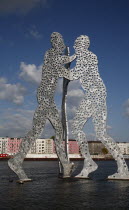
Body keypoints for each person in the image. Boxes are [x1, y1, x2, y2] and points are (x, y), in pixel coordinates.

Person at [8, 32, 76, 181]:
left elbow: (65, 70)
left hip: (48, 100)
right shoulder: (51, 54)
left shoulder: (55, 61)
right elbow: (66, 68)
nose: (61, 42)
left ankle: (65, 165)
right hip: (45, 97)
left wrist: (71, 63)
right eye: (59, 40)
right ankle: (17, 161)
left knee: (56, 130)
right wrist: (75, 57)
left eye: (62, 40)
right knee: (38, 131)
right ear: (54, 42)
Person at [67, 35, 129, 180]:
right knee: (100, 133)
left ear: (83, 45)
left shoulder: (87, 56)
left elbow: (74, 74)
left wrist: (56, 70)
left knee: (78, 127)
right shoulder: (87, 56)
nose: (74, 47)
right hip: (97, 94)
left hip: (94, 94)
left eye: (76, 45)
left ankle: (90, 162)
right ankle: (122, 169)